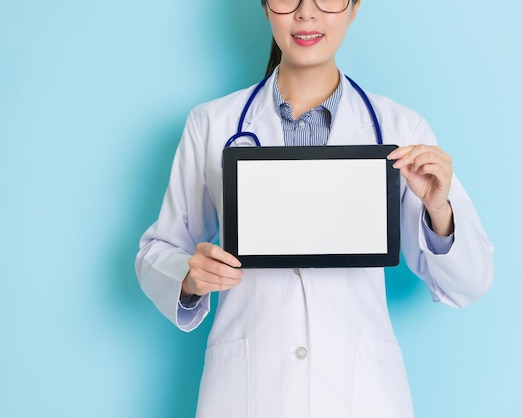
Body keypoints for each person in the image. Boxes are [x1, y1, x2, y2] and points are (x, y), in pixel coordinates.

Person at [136, 0, 494, 416]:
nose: (307, 13)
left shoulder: (401, 129)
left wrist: (438, 210)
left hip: (360, 396)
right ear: (266, 7)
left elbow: (469, 282)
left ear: (355, 7)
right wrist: (188, 277)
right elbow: (155, 252)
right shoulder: (212, 124)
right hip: (247, 393)